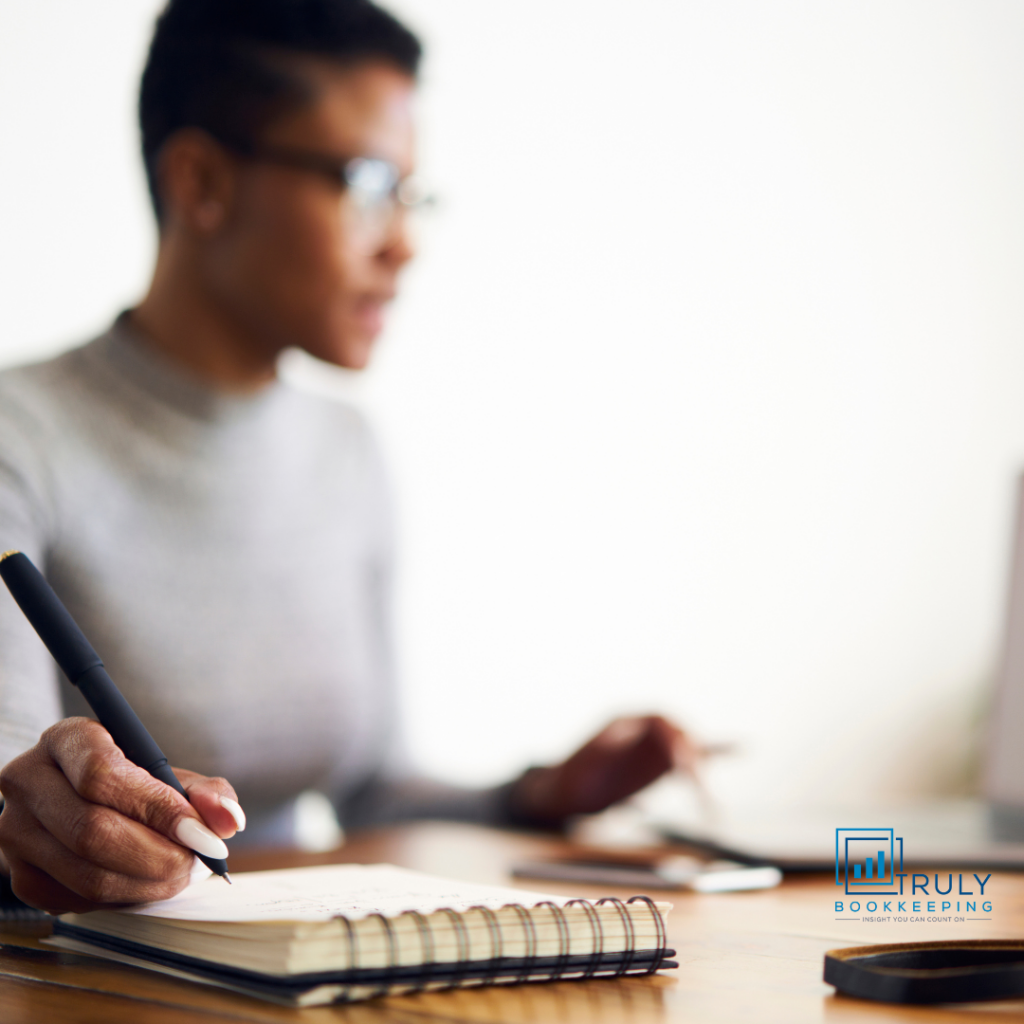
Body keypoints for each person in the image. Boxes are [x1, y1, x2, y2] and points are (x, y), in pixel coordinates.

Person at [0, 0, 692, 915]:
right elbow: (14, 789)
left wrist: (538, 797)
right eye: (368, 184)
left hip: (297, 965)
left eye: (411, 194)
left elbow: (373, 791)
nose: (404, 241)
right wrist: (42, 811)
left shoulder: (347, 450)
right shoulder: (21, 438)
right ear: (202, 182)